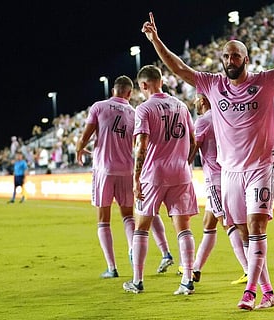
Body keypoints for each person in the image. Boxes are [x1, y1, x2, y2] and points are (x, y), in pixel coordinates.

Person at [141, 11, 274, 310]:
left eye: (235, 56)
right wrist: (156, 40)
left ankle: (249, 292)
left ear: (246, 59)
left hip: (261, 167)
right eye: (226, 56)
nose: (230, 60)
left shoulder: (266, 81)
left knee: (256, 225)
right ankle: (268, 292)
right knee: (238, 230)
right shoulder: (211, 84)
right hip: (229, 172)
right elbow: (179, 68)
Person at [122, 65, 199, 296]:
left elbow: (141, 147)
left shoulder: (144, 109)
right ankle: (187, 280)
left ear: (143, 85)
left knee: (141, 228)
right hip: (180, 174)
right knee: (183, 229)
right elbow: (194, 141)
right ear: (162, 80)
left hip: (154, 175)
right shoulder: (181, 106)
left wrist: (136, 179)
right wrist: (183, 162)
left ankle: (137, 281)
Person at [76, 75, 137, 279]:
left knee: (104, 220)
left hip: (104, 169)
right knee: (128, 216)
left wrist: (79, 149)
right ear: (129, 93)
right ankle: (132, 251)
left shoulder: (99, 107)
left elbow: (86, 135)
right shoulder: (135, 113)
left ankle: (112, 267)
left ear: (113, 90)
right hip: (127, 170)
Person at [186, 92, 248, 285]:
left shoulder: (203, 121)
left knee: (227, 223)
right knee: (209, 223)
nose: (194, 102)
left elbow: (194, 147)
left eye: (196, 98)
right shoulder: (224, 116)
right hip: (231, 175)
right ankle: (195, 269)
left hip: (215, 178)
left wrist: (181, 165)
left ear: (203, 100)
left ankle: (249, 270)